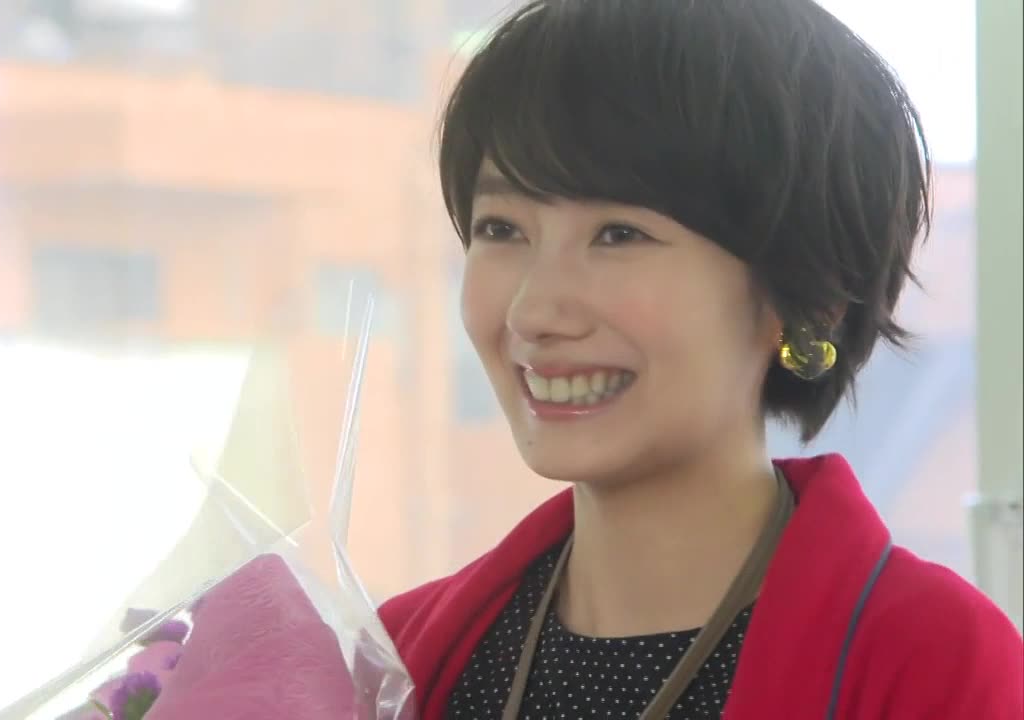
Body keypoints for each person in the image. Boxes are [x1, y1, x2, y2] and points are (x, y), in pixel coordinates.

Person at [378, 1, 1024, 718]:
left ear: (808, 293)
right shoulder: (388, 662)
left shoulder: (931, 660)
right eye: (501, 228)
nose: (533, 311)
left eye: (619, 234)